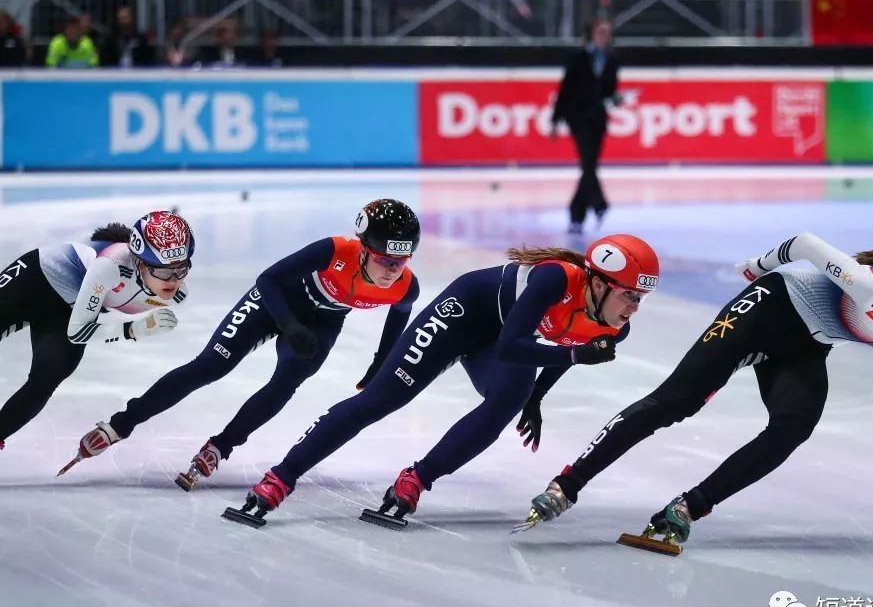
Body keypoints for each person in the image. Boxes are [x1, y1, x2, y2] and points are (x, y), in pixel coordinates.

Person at [519, 227, 873, 548]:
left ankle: (687, 507)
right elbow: (806, 244)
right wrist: (758, 266)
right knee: (677, 401)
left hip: (808, 341)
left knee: (794, 425)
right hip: (771, 305)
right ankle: (568, 484)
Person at [224, 234, 660, 527]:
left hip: (505, 338)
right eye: (629, 296)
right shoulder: (554, 278)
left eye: (642, 300)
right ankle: (281, 476)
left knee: (510, 399)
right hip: (465, 312)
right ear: (599, 283)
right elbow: (515, 346)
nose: (635, 308)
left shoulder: (613, 324)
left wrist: (537, 397)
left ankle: (416, 479)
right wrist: (572, 355)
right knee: (382, 399)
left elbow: (568, 345)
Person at [66, 200, 421, 491]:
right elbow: (267, 280)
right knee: (210, 366)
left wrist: (380, 363)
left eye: (401, 261)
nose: (392, 270)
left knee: (286, 383)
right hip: (275, 303)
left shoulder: (405, 285)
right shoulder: (334, 251)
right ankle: (121, 424)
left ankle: (222, 445)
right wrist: (290, 325)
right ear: (363, 249)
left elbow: (399, 317)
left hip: (323, 321)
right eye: (385, 260)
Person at [0, 211, 194, 453]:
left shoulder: (175, 295)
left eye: (182, 268)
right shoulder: (111, 265)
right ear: (141, 262)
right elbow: (78, 331)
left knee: (46, 379)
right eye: (165, 271)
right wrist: (134, 330)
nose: (174, 279)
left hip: (67, 312)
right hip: (35, 279)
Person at [552, 18, 621, 235]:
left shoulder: (611, 60)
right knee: (588, 163)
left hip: (598, 120)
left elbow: (609, 92)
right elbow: (565, 90)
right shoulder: (578, 58)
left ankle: (577, 216)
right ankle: (599, 203)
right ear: (591, 33)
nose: (604, 36)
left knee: (589, 166)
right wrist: (556, 119)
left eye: (607, 32)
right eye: (600, 31)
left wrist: (616, 99)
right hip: (578, 118)